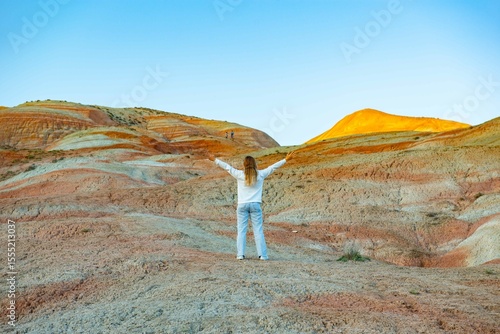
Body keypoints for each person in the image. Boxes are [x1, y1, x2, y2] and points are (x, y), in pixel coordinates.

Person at [209, 151, 295, 260]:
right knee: (258, 230)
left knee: (241, 230)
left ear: (244, 164)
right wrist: (286, 159)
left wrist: (215, 159)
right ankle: (263, 256)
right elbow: (273, 167)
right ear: (255, 164)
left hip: (242, 206)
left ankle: (240, 255)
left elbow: (227, 167)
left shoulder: (240, 174)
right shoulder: (261, 174)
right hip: (255, 205)